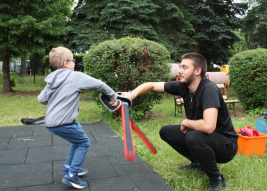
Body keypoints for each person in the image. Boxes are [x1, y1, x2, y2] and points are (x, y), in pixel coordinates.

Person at [121, 53, 238, 191]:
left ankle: (216, 178)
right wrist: (131, 95)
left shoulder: (208, 89)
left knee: (193, 136)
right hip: (203, 137)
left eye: (184, 67)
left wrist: (186, 122)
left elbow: (208, 126)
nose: (180, 71)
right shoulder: (183, 86)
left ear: (197, 71)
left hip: (226, 145)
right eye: (179, 66)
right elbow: (151, 85)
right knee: (166, 132)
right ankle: (199, 162)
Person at [38, 46, 118, 189]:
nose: (74, 63)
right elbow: (99, 84)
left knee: (77, 140)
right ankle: (71, 176)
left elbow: (42, 99)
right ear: (65, 64)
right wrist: (113, 96)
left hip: (51, 123)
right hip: (64, 122)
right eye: (72, 60)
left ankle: (69, 166)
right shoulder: (75, 76)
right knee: (84, 143)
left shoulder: (51, 79)